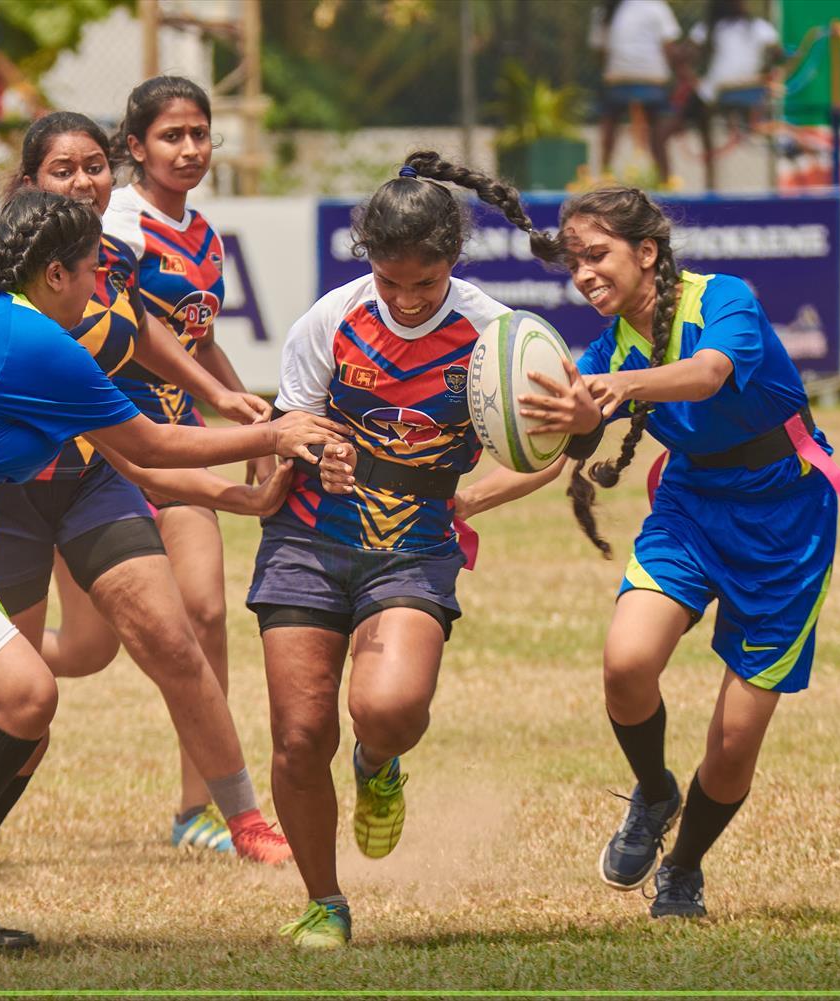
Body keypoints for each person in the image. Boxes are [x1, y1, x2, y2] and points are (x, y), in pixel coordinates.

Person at [0, 188, 344, 950]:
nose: (101, 289)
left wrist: (246, 500)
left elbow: (137, 467)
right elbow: (156, 443)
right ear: (55, 273)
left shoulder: (20, 333)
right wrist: (278, 429)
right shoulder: (32, 340)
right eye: (94, 271)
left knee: (24, 727)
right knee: (28, 694)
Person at [0, 111, 294, 864]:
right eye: (65, 169)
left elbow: (140, 324)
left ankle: (245, 819)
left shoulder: (108, 253)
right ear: (29, 183)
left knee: (159, 639)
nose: (86, 181)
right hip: (6, 497)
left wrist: (215, 392)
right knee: (15, 695)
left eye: (96, 165)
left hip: (91, 476)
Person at [260, 151, 593, 949]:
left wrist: (482, 489)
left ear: (454, 261)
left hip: (413, 546)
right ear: (367, 258)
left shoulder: (496, 334)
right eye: (391, 281)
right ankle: (324, 901)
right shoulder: (330, 320)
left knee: (390, 708)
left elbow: (553, 445)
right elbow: (287, 429)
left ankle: (379, 762)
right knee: (301, 735)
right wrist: (310, 454)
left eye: (426, 282)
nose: (407, 299)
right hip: (308, 535)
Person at [512, 187, 840, 919]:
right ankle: (655, 791)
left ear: (646, 253)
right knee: (627, 661)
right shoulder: (608, 349)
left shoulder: (722, 297)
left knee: (734, 742)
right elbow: (559, 450)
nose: (584, 273)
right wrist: (465, 501)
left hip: (786, 522)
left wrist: (617, 386)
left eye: (597, 255)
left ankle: (684, 868)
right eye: (574, 261)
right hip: (691, 506)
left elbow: (707, 375)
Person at [104, 76, 276, 851]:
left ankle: (195, 808)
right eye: (172, 136)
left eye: (200, 134)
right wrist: (229, 406)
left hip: (176, 433)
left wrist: (252, 413)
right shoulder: (117, 224)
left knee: (204, 613)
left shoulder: (202, 232)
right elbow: (132, 330)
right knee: (78, 649)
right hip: (101, 441)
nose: (191, 149)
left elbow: (198, 337)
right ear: (135, 146)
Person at [684, 0, 782, 191]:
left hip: (718, 92)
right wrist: (767, 73)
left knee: (697, 113)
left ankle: (710, 178)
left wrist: (692, 78)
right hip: (749, 89)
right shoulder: (758, 27)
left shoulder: (711, 27)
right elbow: (777, 54)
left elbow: (689, 55)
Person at [593, 0, 689, 183]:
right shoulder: (657, 7)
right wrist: (683, 73)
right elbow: (669, 49)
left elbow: (600, 53)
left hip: (616, 82)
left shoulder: (604, 10)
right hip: (652, 82)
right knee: (659, 135)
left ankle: (604, 176)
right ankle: (666, 180)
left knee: (610, 126)